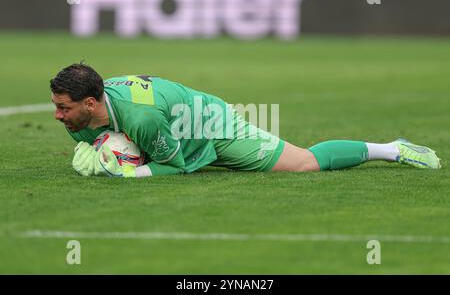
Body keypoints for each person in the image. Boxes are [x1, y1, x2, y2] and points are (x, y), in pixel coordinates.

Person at [50, 63, 441, 178]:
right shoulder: (80, 116)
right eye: (56, 106)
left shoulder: (141, 116)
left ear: (90, 102)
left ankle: (391, 149)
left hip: (210, 126)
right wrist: (95, 149)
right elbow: (107, 141)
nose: (57, 115)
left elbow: (174, 165)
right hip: (172, 125)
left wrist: (129, 174)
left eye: (64, 108)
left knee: (304, 163)